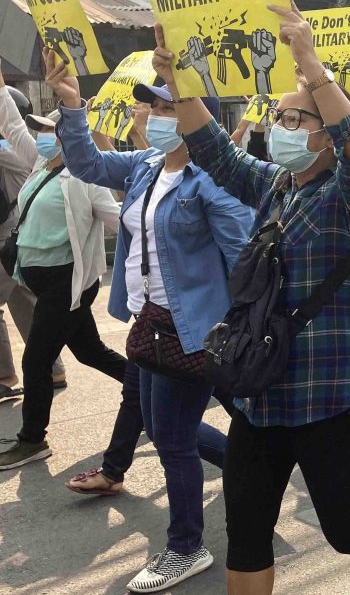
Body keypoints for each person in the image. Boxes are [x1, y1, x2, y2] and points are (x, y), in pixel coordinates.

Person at [163, 2, 350, 595]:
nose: (282, 129)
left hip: (329, 392)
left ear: (326, 134)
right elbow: (217, 152)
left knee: (348, 529)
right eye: (279, 119)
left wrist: (311, 68)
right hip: (261, 391)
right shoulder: (274, 184)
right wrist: (182, 84)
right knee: (245, 530)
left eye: (297, 121)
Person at [54, 63, 252, 591]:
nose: (156, 116)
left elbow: (244, 257)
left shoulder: (213, 180)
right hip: (149, 323)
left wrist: (238, 325)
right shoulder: (145, 165)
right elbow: (86, 162)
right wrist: (73, 104)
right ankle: (253, 471)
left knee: (171, 437)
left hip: (192, 329)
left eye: (168, 107)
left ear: (195, 114)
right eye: (154, 106)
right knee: (166, 427)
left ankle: (186, 546)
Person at [0, 52, 126, 472]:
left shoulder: (87, 178)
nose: (41, 136)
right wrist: (1, 91)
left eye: (50, 131)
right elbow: (15, 128)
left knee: (35, 360)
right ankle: (147, 388)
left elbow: (119, 221)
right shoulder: (37, 164)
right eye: (40, 131)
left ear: (70, 136)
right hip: (43, 281)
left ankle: (32, 440)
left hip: (68, 285)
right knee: (90, 351)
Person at [0, 66, 66, 402]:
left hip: (13, 236)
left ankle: (7, 374)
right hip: (19, 239)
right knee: (24, 301)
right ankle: (51, 369)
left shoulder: (18, 150)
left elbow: (10, 132)